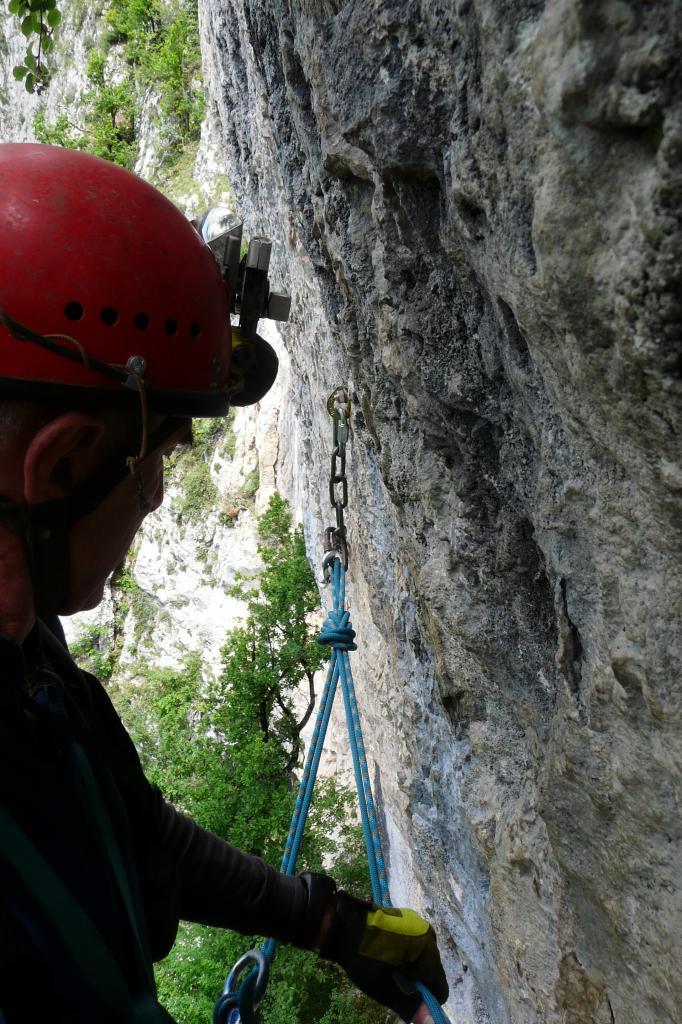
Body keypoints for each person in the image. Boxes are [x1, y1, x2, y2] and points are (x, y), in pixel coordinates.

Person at [0, 143, 448, 1024]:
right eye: (156, 460)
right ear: (62, 465)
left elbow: (135, 833)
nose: (159, 498)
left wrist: (326, 919)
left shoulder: (29, 657)